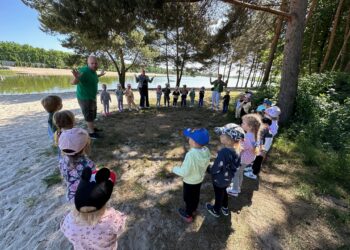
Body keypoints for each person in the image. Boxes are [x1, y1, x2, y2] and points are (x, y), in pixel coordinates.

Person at [61, 167, 127, 250]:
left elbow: (65, 231)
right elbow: (120, 229)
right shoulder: (112, 218)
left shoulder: (69, 219)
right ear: (105, 201)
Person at [172, 128, 211, 222]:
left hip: (190, 181)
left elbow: (184, 172)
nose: (188, 139)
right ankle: (193, 209)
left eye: (189, 138)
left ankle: (188, 214)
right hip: (199, 180)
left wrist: (174, 169)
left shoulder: (191, 155)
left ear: (193, 142)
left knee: (188, 198)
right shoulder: (206, 150)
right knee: (195, 196)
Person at [206, 124, 244, 217]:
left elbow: (216, 167)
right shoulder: (237, 151)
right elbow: (236, 166)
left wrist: (209, 168)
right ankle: (225, 207)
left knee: (218, 194)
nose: (220, 135)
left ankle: (216, 210)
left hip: (219, 179)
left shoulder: (224, 152)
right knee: (224, 192)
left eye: (222, 134)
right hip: (228, 179)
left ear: (228, 139)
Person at [227, 114, 261, 197]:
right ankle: (238, 187)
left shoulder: (246, 137)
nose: (241, 124)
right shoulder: (254, 135)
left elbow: (241, 148)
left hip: (243, 158)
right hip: (249, 158)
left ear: (249, 127)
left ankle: (234, 190)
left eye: (243, 123)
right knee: (240, 172)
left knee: (235, 173)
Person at [58, 128, 96, 201]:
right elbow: (93, 180)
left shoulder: (62, 160)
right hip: (86, 196)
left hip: (71, 195)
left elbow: (64, 176)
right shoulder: (89, 164)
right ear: (85, 147)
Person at [72, 55, 105, 139]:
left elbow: (92, 77)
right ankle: (91, 133)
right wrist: (76, 78)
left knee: (93, 114)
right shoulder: (83, 71)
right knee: (89, 115)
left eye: (95, 63)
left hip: (92, 97)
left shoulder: (93, 71)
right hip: (84, 98)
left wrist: (100, 75)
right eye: (92, 63)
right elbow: (73, 83)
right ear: (88, 63)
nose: (94, 65)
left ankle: (92, 128)